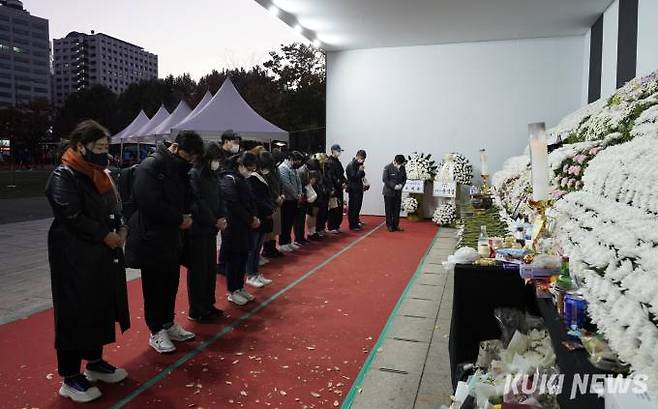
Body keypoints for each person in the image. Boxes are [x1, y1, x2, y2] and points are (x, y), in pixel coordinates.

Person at [45, 120, 130, 403]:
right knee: (75, 314)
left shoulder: (100, 174)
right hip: (74, 259)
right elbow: (72, 216)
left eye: (106, 147)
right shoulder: (64, 175)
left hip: (101, 257)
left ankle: (95, 362)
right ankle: (69, 377)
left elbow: (114, 206)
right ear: (80, 146)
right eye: (99, 147)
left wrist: (121, 229)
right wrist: (104, 235)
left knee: (99, 308)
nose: (104, 153)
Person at [126, 131, 204, 354]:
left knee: (170, 283)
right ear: (175, 147)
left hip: (172, 237)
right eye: (188, 156)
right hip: (152, 237)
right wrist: (178, 218)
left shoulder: (180, 168)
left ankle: (169, 323)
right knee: (154, 286)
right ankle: (156, 330)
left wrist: (189, 214)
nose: (189, 161)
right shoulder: (151, 166)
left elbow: (188, 195)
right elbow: (149, 202)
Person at [185, 142, 228, 323]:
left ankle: (208, 305)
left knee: (210, 270)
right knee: (198, 271)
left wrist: (222, 216)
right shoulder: (194, 174)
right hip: (199, 230)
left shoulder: (213, 176)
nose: (217, 163)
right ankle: (197, 309)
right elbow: (197, 202)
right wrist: (213, 220)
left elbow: (220, 197)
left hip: (211, 230)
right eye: (215, 159)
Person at [220, 152, 260, 305]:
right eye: (249, 167)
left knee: (243, 257)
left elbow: (251, 201)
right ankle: (232, 290)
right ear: (241, 165)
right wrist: (250, 218)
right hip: (234, 227)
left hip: (245, 226)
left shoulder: (243, 179)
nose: (251, 170)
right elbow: (233, 204)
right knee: (234, 259)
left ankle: (240, 287)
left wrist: (254, 217)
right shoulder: (228, 179)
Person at [245, 151, 276, 288]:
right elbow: (256, 200)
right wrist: (268, 210)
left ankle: (255, 273)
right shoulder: (252, 178)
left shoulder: (261, 177)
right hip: (258, 216)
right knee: (252, 248)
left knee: (257, 248)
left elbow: (266, 196)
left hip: (265, 216)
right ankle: (250, 274)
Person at [261, 151, 285, 258]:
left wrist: (282, 194)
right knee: (269, 228)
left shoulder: (275, 169)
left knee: (275, 227)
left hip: (278, 200)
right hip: (271, 201)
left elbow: (280, 183)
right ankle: (267, 250)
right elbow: (269, 187)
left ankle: (272, 248)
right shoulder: (265, 171)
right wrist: (277, 197)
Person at [278, 151, 303, 252]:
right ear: (291, 159)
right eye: (297, 161)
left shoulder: (294, 168)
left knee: (290, 222)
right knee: (285, 222)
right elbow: (286, 185)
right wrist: (296, 195)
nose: (298, 163)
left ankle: (288, 242)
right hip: (288, 200)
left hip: (294, 199)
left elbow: (299, 182)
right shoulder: (283, 168)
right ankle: (283, 243)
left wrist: (300, 193)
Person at [383, 154, 408, 232]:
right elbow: (385, 179)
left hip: (398, 192)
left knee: (397, 210)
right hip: (389, 192)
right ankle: (389, 225)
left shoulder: (402, 168)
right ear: (395, 161)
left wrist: (401, 185)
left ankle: (395, 225)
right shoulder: (387, 167)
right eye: (399, 164)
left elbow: (404, 178)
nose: (400, 165)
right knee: (389, 210)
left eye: (401, 164)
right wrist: (393, 186)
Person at [326, 144, 347, 234]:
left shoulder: (337, 161)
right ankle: (331, 226)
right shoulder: (329, 162)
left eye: (340, 151)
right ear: (333, 151)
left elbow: (341, 174)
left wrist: (345, 182)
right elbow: (331, 176)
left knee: (339, 207)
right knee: (333, 208)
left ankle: (337, 225)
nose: (339, 153)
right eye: (338, 151)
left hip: (339, 189)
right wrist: (339, 183)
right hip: (334, 189)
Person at [345, 149, 368, 231]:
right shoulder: (351, 165)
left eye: (364, 158)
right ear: (357, 156)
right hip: (353, 189)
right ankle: (353, 224)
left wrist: (366, 183)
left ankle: (356, 221)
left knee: (358, 206)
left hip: (359, 188)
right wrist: (360, 171)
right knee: (353, 207)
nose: (363, 160)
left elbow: (362, 176)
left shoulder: (359, 164)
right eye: (362, 158)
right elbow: (353, 177)